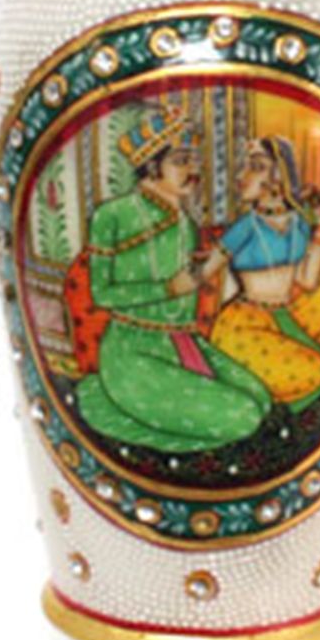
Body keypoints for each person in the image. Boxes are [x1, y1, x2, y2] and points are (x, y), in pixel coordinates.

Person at [74, 104, 272, 453]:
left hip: (182, 343)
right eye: (181, 161)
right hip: (132, 351)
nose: (193, 170)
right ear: (151, 166)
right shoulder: (112, 215)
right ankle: (112, 401)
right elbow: (101, 294)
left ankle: (152, 413)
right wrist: (168, 288)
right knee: (245, 416)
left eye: (193, 161)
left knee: (261, 399)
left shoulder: (186, 224)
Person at [196, 136, 320, 411]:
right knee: (316, 370)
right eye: (246, 166)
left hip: (286, 313)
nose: (242, 176)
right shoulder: (246, 226)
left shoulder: (298, 223)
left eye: (256, 167)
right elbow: (205, 271)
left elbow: (307, 281)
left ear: (279, 177)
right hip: (245, 322)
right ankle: (273, 413)